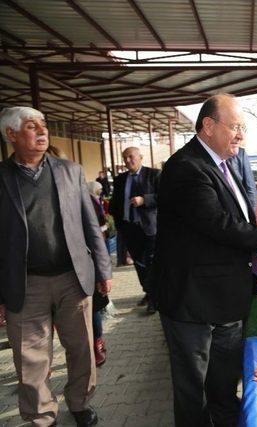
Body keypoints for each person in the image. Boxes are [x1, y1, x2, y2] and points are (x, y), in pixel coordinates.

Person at [150, 93, 257, 427]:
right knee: (194, 391)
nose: (241, 135)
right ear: (208, 126)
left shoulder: (221, 164)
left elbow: (237, 218)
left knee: (224, 384)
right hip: (193, 303)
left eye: (243, 127)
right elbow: (219, 224)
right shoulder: (187, 167)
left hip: (224, 300)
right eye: (236, 127)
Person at [0, 106, 112, 427]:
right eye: (31, 127)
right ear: (11, 135)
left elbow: (91, 224)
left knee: (81, 349)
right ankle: (41, 415)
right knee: (30, 359)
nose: (42, 131)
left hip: (72, 277)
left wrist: (103, 270)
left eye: (43, 125)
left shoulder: (69, 170)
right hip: (24, 284)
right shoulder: (2, 178)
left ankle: (79, 402)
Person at [110, 146, 160, 313]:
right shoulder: (120, 180)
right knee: (139, 264)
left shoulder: (154, 175)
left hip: (149, 228)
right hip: (129, 228)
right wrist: (120, 225)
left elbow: (165, 196)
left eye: (131, 157)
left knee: (151, 263)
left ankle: (154, 298)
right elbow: (115, 205)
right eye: (125, 158)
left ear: (140, 157)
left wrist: (144, 199)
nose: (128, 161)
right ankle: (148, 291)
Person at [87, 181, 110, 367]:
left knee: (93, 305)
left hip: (86, 264)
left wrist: (103, 272)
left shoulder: (85, 200)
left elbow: (98, 233)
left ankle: (97, 342)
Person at [228, 145, 257, 212]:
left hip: (238, 211)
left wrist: (252, 215)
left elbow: (250, 188)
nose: (241, 136)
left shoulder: (240, 153)